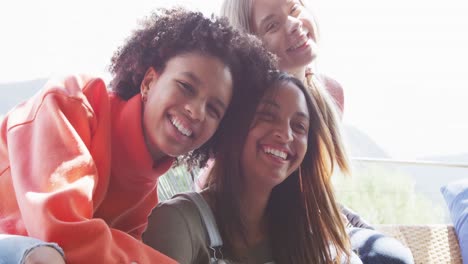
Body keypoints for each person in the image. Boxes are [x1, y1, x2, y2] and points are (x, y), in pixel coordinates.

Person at [0, 7, 275, 264]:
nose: (196, 111)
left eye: (214, 109)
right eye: (186, 86)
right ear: (148, 82)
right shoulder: (71, 103)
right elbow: (63, 232)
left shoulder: (145, 197)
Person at [219, 1, 414, 263]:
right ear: (251, 44)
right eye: (272, 25)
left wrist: (349, 224)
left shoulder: (331, 93)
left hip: (319, 213)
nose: (294, 24)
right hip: (273, 226)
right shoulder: (244, 112)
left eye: (294, 9)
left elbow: (321, 189)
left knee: (396, 256)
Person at [144, 72, 363, 263]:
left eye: (299, 126)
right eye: (267, 116)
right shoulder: (178, 224)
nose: (286, 135)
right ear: (233, 126)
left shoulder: (306, 231)